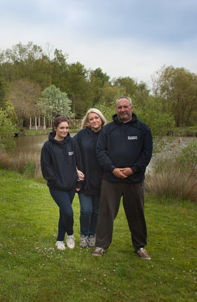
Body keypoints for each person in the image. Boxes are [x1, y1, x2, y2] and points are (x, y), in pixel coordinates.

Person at [92, 96, 153, 260]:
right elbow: (100, 151)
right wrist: (113, 169)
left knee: (137, 214)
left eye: (125, 107)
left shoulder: (143, 129)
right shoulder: (108, 129)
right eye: (119, 107)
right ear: (116, 109)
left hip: (134, 180)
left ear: (131, 108)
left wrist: (133, 170)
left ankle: (140, 246)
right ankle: (101, 245)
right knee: (106, 213)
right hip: (111, 180)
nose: (122, 110)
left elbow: (146, 154)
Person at [41, 115, 84, 250]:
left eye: (67, 128)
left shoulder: (72, 143)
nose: (65, 131)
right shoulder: (48, 146)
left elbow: (78, 163)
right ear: (55, 128)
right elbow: (46, 169)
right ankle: (70, 234)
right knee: (68, 212)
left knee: (64, 213)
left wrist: (79, 183)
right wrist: (56, 181)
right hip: (57, 187)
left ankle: (60, 239)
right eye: (62, 128)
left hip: (71, 186)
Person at [73, 108, 107, 248]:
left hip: (102, 180)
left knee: (96, 211)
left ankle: (92, 235)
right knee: (86, 210)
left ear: (101, 119)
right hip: (85, 180)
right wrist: (74, 170)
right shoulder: (81, 135)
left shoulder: (107, 133)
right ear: (87, 121)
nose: (94, 120)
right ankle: (83, 235)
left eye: (96, 117)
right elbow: (69, 148)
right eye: (91, 118)